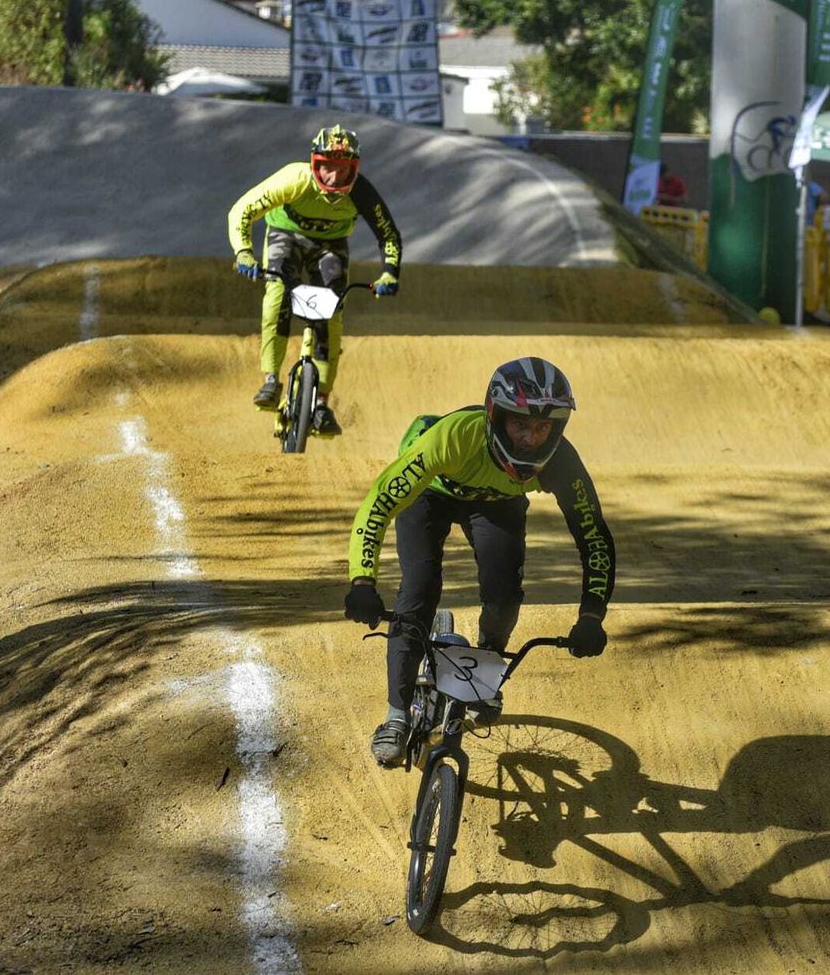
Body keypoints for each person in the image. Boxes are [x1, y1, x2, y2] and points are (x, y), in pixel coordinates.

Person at [342, 357, 616, 767]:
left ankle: (482, 672)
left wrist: (592, 616)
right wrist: (362, 582)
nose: (530, 439)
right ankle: (396, 716)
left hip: (496, 502)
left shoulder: (561, 461)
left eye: (543, 427)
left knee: (504, 595)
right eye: (520, 424)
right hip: (431, 492)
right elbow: (379, 503)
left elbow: (593, 536)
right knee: (419, 589)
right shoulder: (453, 437)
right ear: (495, 415)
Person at [226, 124, 402, 436]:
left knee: (331, 311)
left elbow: (388, 235)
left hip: (330, 245)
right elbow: (242, 210)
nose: (333, 177)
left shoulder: (361, 191)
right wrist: (244, 252)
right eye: (326, 167)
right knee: (277, 293)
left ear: (355, 169)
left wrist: (389, 272)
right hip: (285, 235)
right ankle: (270, 380)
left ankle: (321, 403)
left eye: (343, 170)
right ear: (313, 163)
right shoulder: (296, 179)